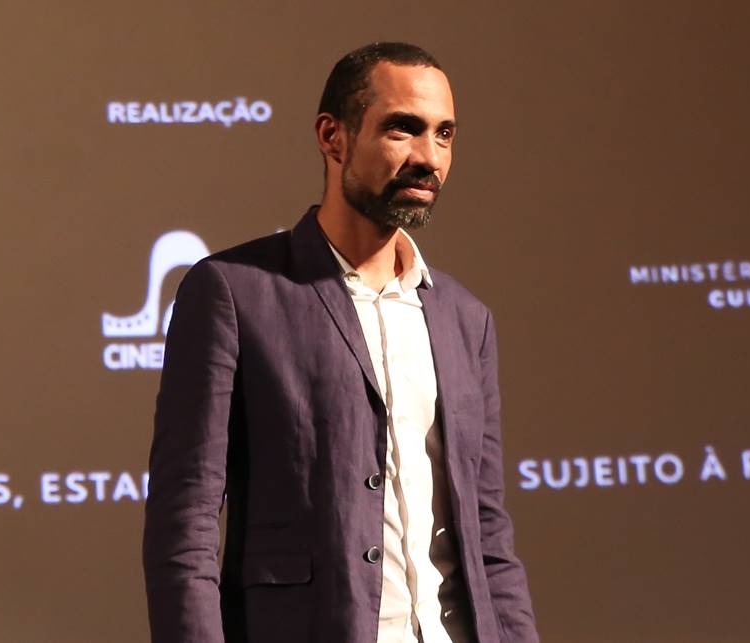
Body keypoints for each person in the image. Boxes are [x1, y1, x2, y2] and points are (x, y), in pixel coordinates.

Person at [143, 42, 539, 643]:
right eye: (403, 129)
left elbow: (487, 532)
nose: (429, 157)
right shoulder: (234, 292)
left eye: (445, 134)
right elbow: (186, 521)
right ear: (333, 137)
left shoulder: (466, 317)